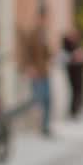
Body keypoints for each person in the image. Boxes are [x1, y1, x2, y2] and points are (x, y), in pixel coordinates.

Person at [21, 9, 54, 138]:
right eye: (45, 18)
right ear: (40, 18)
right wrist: (29, 67)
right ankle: (32, 124)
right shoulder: (33, 33)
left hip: (45, 71)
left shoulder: (45, 34)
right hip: (36, 71)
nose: (46, 21)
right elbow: (27, 51)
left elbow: (48, 53)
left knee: (48, 100)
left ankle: (45, 127)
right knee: (37, 99)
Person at [61, 30, 83, 120]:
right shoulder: (67, 46)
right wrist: (75, 56)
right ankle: (73, 111)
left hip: (79, 71)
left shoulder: (78, 44)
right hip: (73, 72)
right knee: (75, 91)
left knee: (79, 91)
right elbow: (65, 58)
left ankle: (78, 110)